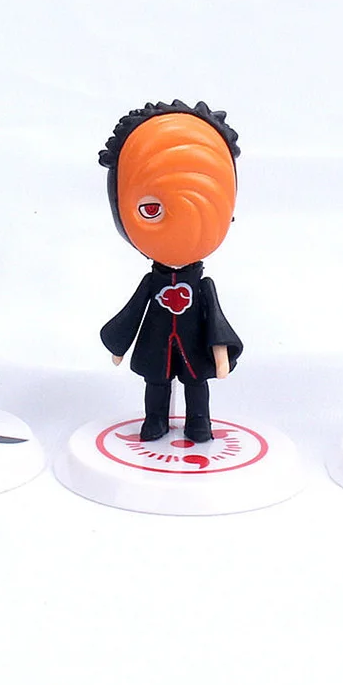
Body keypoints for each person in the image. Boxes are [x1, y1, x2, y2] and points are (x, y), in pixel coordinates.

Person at [98, 100, 243, 443]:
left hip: (193, 346)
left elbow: (215, 318)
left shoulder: (203, 285)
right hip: (156, 345)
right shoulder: (153, 282)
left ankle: (199, 422)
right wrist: (120, 343)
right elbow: (134, 310)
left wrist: (220, 352)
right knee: (156, 384)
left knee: (196, 383)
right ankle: (155, 420)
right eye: (151, 209)